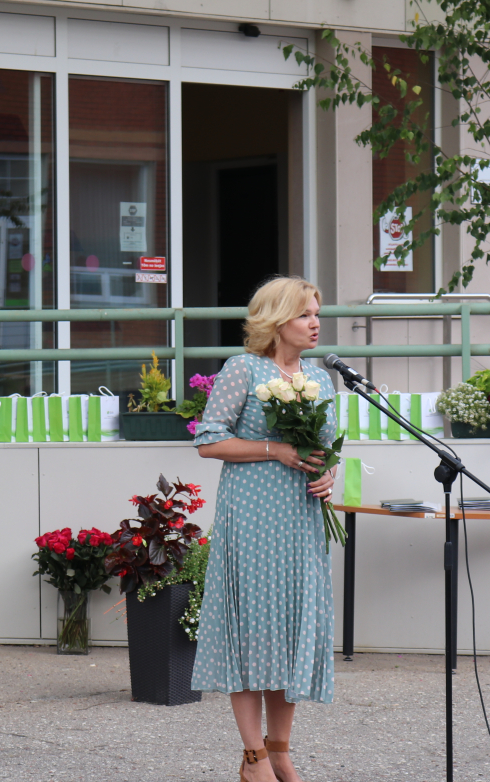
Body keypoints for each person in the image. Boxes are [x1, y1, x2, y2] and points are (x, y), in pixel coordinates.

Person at [190, 276, 337, 782]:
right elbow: (209, 441)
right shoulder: (243, 369)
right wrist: (278, 450)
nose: (316, 322)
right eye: (305, 314)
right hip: (252, 518)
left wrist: (327, 474)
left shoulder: (322, 377)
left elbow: (326, 448)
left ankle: (281, 753)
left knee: (291, 631)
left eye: (317, 313)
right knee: (253, 632)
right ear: (276, 321)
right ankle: (253, 759)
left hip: (300, 519)